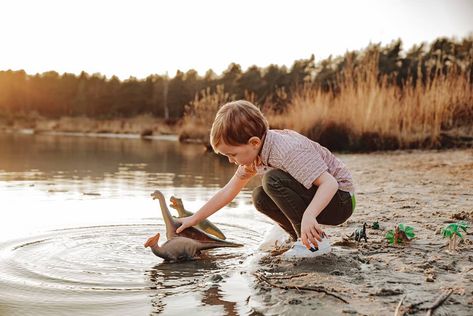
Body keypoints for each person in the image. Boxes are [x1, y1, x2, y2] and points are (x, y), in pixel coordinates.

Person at [176, 100, 356, 258]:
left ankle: (314, 244)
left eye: (232, 154)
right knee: (260, 197)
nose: (231, 161)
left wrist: (309, 215)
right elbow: (227, 192)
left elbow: (329, 183)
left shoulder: (286, 150)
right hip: (322, 198)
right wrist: (194, 219)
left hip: (340, 200)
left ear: (254, 142)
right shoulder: (255, 156)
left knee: (271, 180)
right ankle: (300, 237)